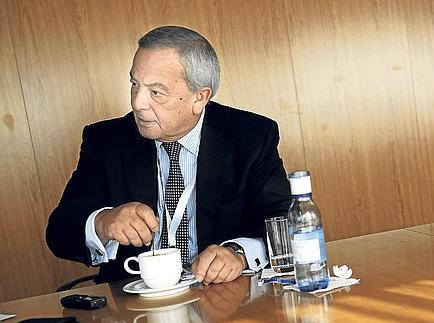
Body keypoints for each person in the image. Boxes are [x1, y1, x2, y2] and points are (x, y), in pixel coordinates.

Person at [46, 26, 291, 285]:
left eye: (156, 92)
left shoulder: (251, 136)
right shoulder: (106, 141)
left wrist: (238, 253)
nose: (138, 103)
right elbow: (60, 233)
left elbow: (284, 220)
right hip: (135, 300)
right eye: (134, 84)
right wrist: (103, 222)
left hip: (222, 295)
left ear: (200, 97)